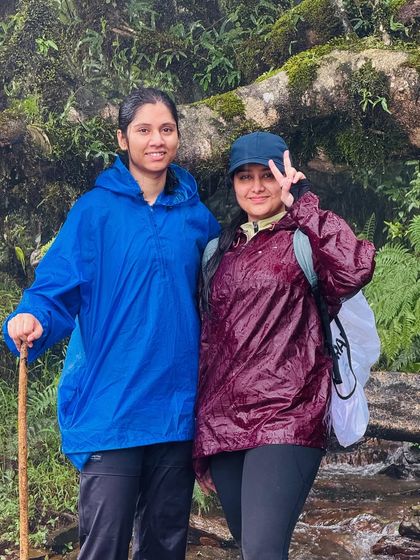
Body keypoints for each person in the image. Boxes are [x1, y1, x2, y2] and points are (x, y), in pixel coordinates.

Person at [3, 87, 220, 560]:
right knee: (103, 547)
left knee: (165, 547)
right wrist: (30, 318)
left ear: (178, 137)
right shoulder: (94, 213)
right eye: (144, 130)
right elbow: (55, 288)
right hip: (112, 409)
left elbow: (224, 302)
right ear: (123, 139)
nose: (156, 140)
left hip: (177, 411)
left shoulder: (198, 219)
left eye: (166, 129)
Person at [193, 131, 375, 560]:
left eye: (268, 176)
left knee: (262, 550)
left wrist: (304, 203)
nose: (256, 187)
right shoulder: (219, 251)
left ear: (286, 179)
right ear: (233, 184)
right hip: (224, 422)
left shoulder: (304, 239)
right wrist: (200, 430)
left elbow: (355, 268)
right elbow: (208, 340)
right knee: (248, 544)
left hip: (288, 414)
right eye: (245, 177)